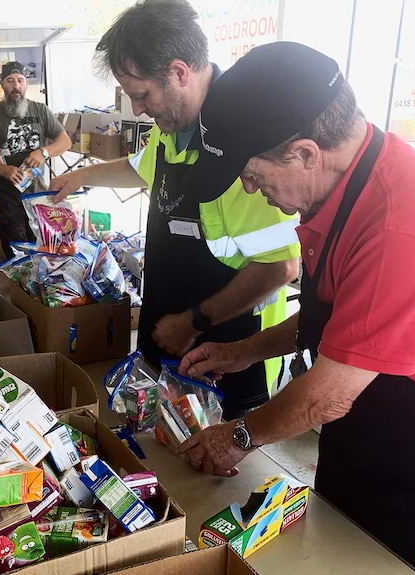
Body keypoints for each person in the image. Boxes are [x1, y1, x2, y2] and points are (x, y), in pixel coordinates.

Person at [176, 41, 415, 574]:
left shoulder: (403, 226)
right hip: (370, 413)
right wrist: (245, 351)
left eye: (254, 175)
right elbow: (338, 322)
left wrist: (238, 436)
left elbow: (324, 398)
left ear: (305, 153)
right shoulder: (345, 185)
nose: (249, 189)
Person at [50, 0, 300, 418]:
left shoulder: (243, 146)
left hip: (226, 361)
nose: (137, 110)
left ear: (180, 73)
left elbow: (280, 267)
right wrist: (81, 176)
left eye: (142, 95)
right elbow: (139, 167)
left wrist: (193, 322)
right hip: (167, 341)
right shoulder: (175, 128)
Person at [0, 61, 72, 258]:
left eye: (20, 80)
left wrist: (43, 151)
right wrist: (2, 169)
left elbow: (64, 141)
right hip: (6, 191)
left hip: (37, 191)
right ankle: (18, 285)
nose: (16, 86)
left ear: (26, 83)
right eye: (10, 81)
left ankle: (37, 284)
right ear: (2, 84)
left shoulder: (40, 110)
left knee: (42, 241)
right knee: (16, 245)